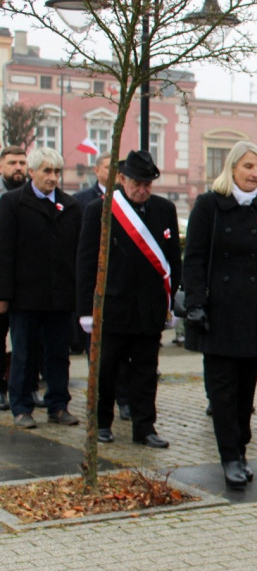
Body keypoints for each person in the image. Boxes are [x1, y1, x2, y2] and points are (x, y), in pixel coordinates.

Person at [182, 141, 257, 489]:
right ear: (232, 169)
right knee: (223, 392)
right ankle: (229, 456)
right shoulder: (209, 205)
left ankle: (240, 449)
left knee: (246, 390)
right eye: (248, 167)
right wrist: (195, 303)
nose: (254, 174)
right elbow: (194, 257)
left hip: (253, 311)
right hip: (218, 312)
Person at [76, 150, 180, 448]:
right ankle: (101, 423)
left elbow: (172, 260)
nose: (143, 189)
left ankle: (144, 426)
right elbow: (86, 262)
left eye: (148, 184)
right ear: (122, 179)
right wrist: (86, 310)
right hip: (113, 305)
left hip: (149, 307)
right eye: (137, 183)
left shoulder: (164, 210)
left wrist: (170, 301)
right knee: (106, 369)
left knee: (147, 371)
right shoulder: (101, 209)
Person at [0, 147, 82, 428]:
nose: (53, 177)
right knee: (23, 354)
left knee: (59, 354)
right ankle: (21, 406)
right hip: (26, 296)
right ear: (32, 172)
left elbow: (77, 253)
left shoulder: (71, 206)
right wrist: (3, 294)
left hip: (60, 297)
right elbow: (5, 252)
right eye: (47, 171)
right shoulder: (12, 203)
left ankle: (58, 405)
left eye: (57, 171)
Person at [73, 152, 130, 413]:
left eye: (117, 168)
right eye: (108, 167)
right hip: (97, 286)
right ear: (96, 170)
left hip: (122, 287)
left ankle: (125, 400)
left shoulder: (129, 199)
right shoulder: (82, 202)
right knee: (100, 355)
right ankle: (98, 404)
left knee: (124, 355)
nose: (113, 173)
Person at [0, 145, 30, 412]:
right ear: (1, 167)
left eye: (22, 162)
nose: (18, 167)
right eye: (12, 163)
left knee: (25, 341)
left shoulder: (32, 196)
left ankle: (26, 389)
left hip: (25, 280)